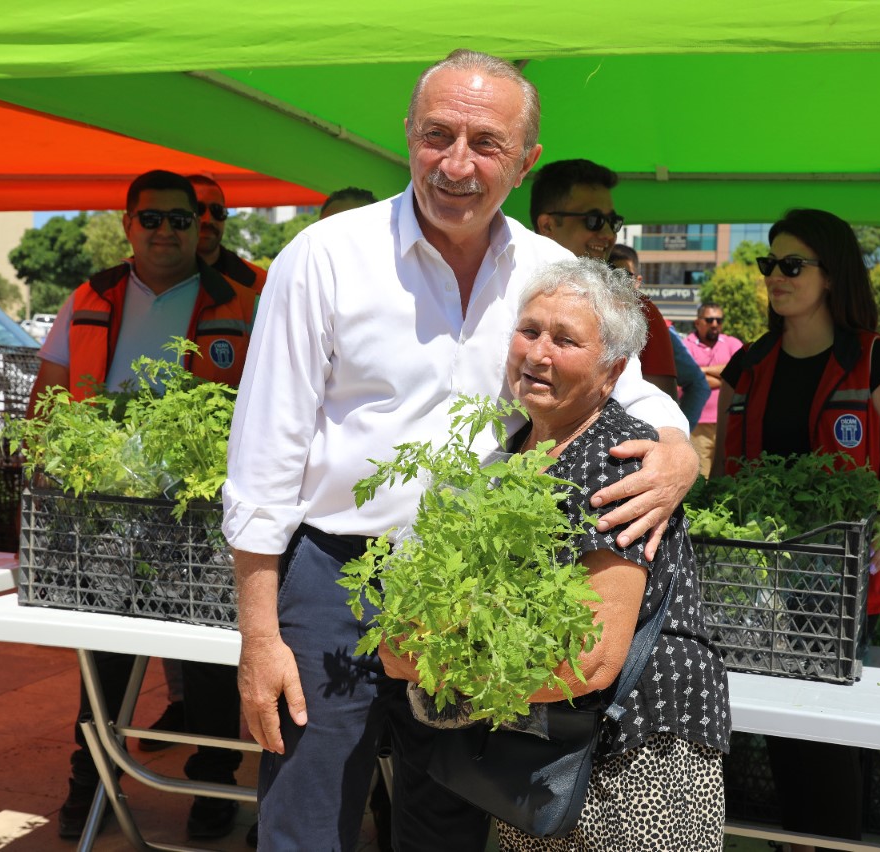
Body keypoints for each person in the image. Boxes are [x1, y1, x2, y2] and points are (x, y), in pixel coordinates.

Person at [224, 49, 699, 851]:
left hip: (475, 586)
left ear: (525, 162)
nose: (455, 164)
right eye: (437, 135)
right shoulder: (326, 256)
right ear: (407, 134)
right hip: (334, 576)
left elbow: (629, 389)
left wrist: (679, 451)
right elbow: (264, 457)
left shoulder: (550, 270)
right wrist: (260, 636)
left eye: (485, 143)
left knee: (448, 820)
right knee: (306, 820)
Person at [381, 257, 730, 850]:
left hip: (633, 751)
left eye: (565, 340)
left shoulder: (616, 463)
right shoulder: (512, 454)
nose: (538, 354)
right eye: (529, 331)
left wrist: (434, 666)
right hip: (543, 744)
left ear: (611, 371)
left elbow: (589, 661)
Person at [30, 169, 256, 840]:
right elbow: (50, 391)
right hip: (104, 509)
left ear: (199, 226)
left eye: (180, 220)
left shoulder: (241, 301)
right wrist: (47, 465)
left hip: (200, 514)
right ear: (127, 223)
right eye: (151, 218)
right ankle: (91, 782)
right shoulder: (89, 295)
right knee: (104, 661)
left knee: (210, 661)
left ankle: (214, 787)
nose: (166, 231)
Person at [709, 208, 880, 852]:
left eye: (792, 264)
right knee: (779, 730)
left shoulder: (874, 360)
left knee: (831, 741)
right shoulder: (746, 366)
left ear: (830, 275)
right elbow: (722, 475)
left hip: (845, 581)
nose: (774, 276)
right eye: (769, 263)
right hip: (758, 582)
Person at [530, 160, 679, 398]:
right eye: (594, 220)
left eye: (613, 222)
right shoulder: (504, 290)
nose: (608, 234)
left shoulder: (637, 310)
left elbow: (660, 407)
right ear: (547, 225)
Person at [610, 244, 709, 430]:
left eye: (624, 275)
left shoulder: (647, 314)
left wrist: (678, 432)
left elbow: (695, 385)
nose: (615, 281)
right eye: (609, 271)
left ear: (638, 282)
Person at [684, 302, 744, 475]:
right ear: (697, 323)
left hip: (729, 421)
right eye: (710, 320)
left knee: (729, 472)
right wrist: (726, 377)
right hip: (698, 425)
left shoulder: (732, 343)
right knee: (701, 475)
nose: (715, 324)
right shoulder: (686, 345)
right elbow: (687, 379)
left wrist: (701, 371)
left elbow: (740, 373)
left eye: (719, 320)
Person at [189, 173, 268, 291]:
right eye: (197, 209)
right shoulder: (158, 279)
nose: (208, 219)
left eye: (217, 211)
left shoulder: (259, 283)